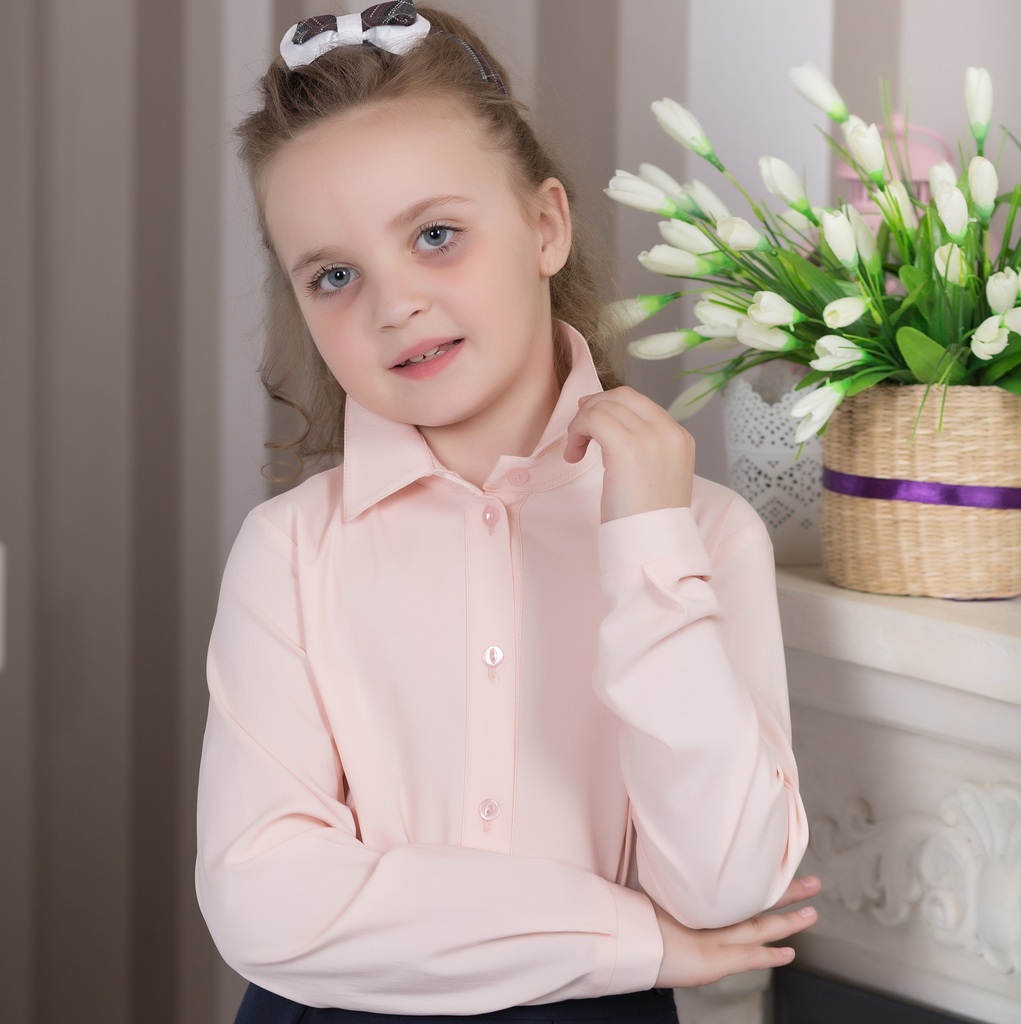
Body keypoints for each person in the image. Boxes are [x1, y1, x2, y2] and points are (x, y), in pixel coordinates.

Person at [195, 4, 816, 1022]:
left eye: (435, 235)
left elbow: (723, 888)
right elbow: (261, 902)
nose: (393, 303)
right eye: (335, 275)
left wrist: (647, 545)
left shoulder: (701, 534)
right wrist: (631, 938)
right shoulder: (289, 553)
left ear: (544, 227)